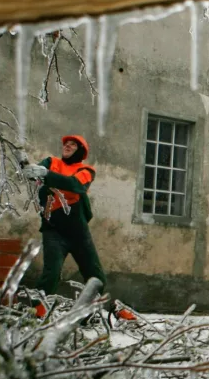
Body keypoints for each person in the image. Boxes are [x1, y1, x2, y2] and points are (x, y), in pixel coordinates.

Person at [22, 135, 135, 321]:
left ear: (81, 150)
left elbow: (76, 185)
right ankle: (36, 314)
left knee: (96, 277)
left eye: (73, 144)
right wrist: (28, 169)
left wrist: (47, 175)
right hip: (54, 231)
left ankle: (98, 312)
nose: (67, 145)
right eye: (66, 143)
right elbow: (36, 174)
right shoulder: (51, 162)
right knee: (51, 275)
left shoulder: (86, 170)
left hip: (79, 233)